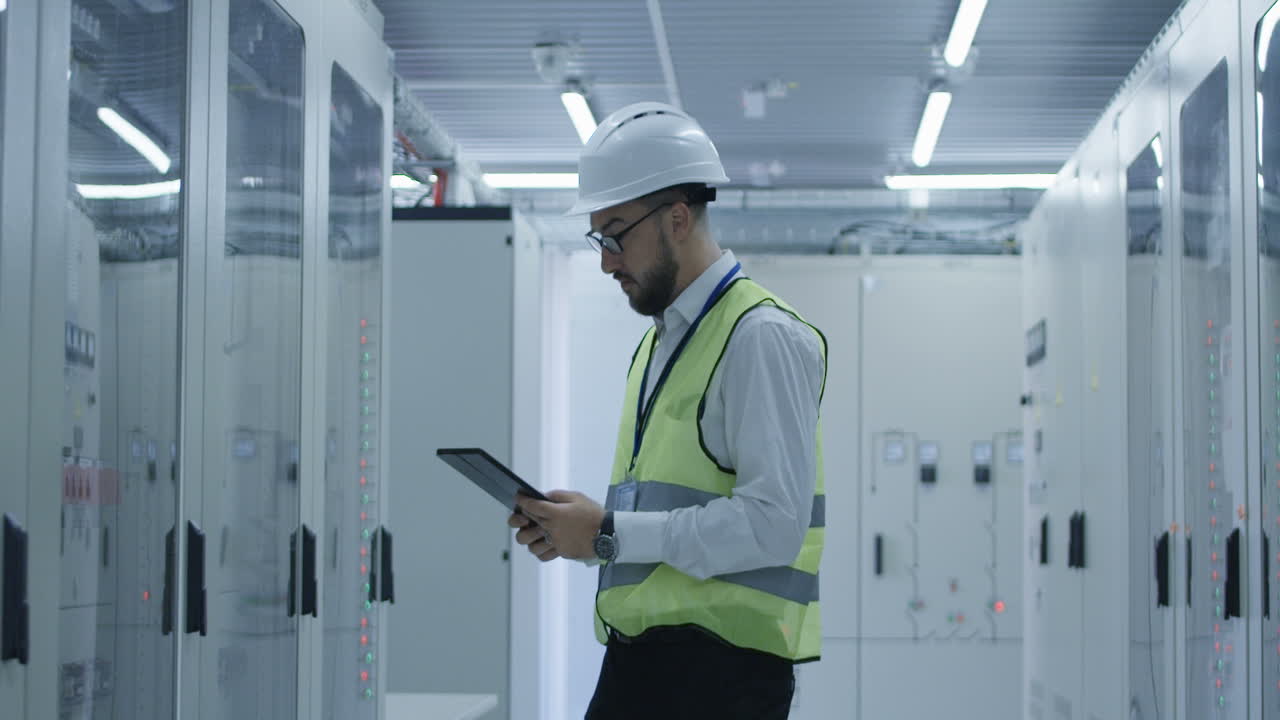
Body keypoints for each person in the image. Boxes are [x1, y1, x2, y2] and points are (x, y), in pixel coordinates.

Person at [507, 102, 827, 719]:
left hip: (719, 679)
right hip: (643, 667)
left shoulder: (759, 337)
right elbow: (666, 506)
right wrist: (582, 529)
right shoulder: (663, 343)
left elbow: (774, 525)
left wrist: (607, 534)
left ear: (678, 218)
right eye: (599, 238)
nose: (606, 259)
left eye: (617, 234)